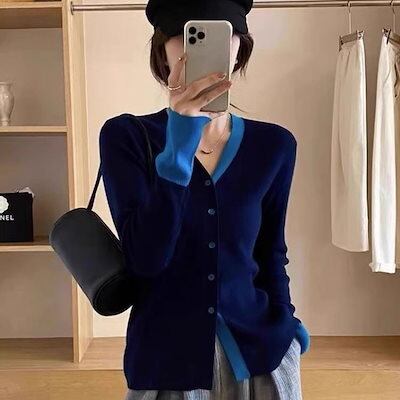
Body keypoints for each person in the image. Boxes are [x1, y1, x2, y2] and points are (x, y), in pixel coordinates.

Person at [99, 0, 311, 399]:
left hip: (261, 359)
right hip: (166, 364)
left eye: (220, 34)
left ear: (239, 48)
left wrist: (289, 327)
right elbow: (145, 260)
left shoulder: (274, 145)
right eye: (186, 35)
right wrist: (178, 148)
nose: (197, 50)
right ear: (162, 52)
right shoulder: (125, 137)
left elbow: (271, 253)